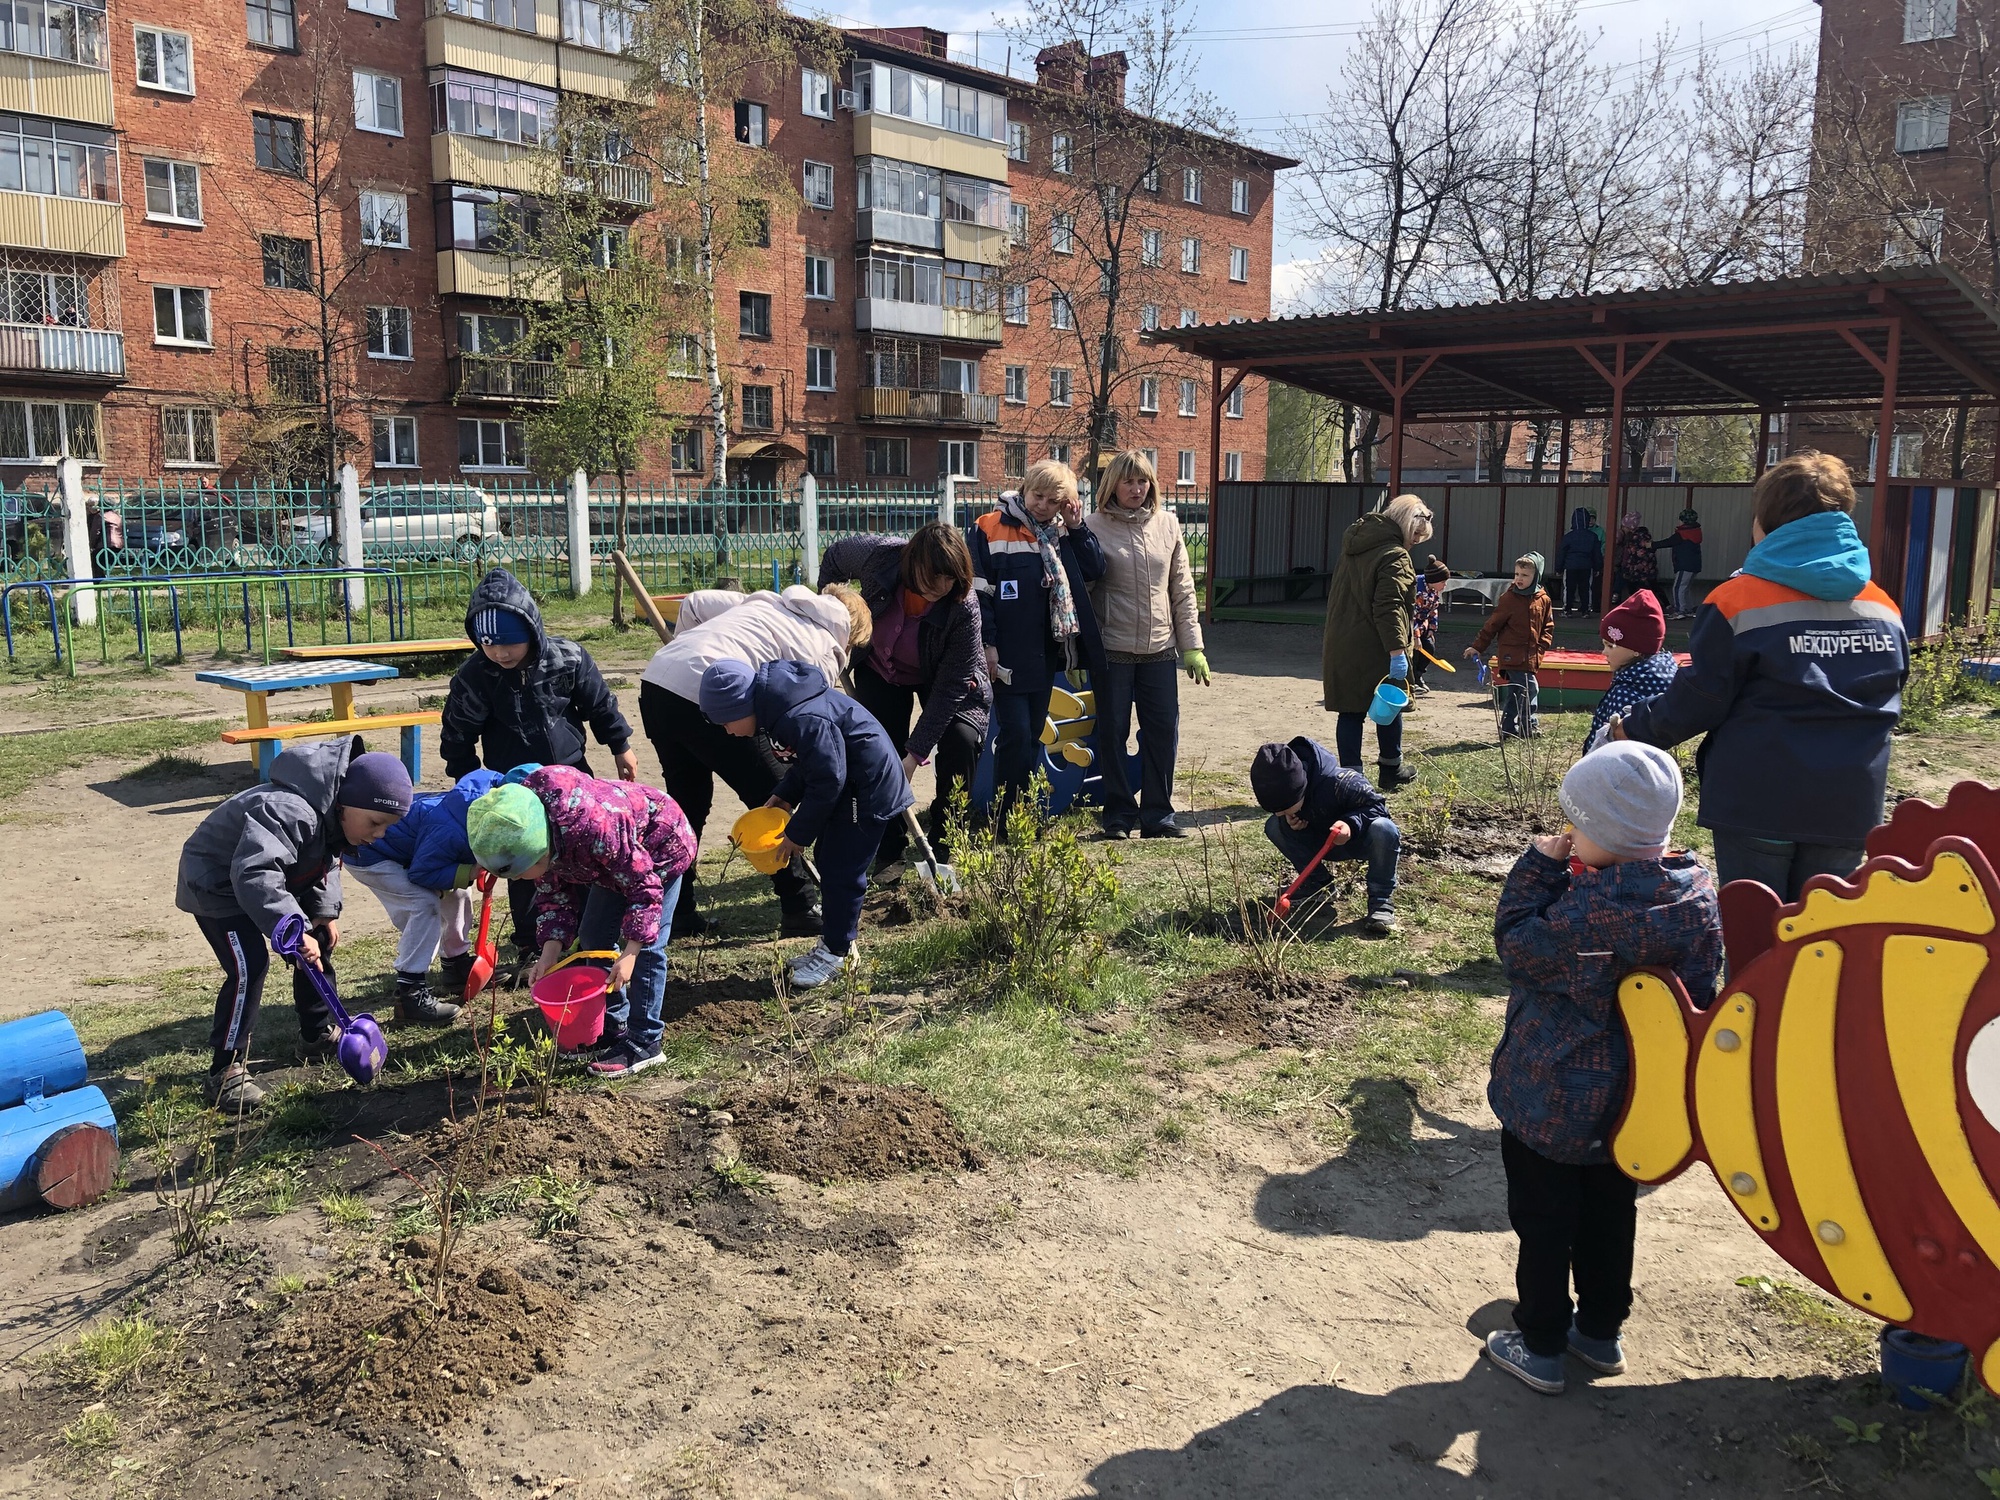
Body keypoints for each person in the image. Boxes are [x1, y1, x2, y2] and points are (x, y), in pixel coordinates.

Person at [1483, 741, 1721, 1395]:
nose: (1567, 834)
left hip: (1552, 1102)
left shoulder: (1586, 914)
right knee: (1612, 1215)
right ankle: (1600, 1331)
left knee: (1544, 1223)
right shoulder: (1696, 896)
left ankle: (1539, 1341)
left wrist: (1536, 869)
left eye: (1576, 824)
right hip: (1635, 1105)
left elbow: (1517, 947)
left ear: (1605, 834)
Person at [1610, 452, 1908, 899]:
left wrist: (1633, 729)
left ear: (1765, 522)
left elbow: (1701, 697)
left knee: (1756, 936)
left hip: (1759, 800)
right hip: (1848, 805)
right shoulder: (1882, 606)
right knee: (1820, 945)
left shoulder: (1737, 601)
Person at [176, 739, 414, 1112]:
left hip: (266, 879)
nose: (379, 834)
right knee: (248, 966)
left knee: (318, 938)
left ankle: (316, 1033)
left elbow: (326, 858)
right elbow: (255, 871)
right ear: (344, 802)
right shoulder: (290, 810)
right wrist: (291, 925)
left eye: (387, 827)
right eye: (376, 823)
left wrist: (321, 911)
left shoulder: (333, 816)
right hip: (217, 885)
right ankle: (225, 1070)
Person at [635, 581, 872, 936]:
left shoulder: (768, 601)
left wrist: (693, 650)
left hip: (660, 681)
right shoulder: (826, 644)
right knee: (773, 796)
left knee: (686, 804)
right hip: (714, 694)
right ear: (851, 635)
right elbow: (811, 718)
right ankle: (801, 905)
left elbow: (696, 604)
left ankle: (676, 911)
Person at [441, 567, 636, 972]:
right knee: (526, 864)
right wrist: (468, 781)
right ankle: (534, 942)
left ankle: (591, 931)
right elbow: (458, 732)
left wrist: (620, 745)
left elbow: (599, 704)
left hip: (572, 776)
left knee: (583, 851)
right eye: (490, 646)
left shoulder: (567, 658)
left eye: (510, 644)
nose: (501, 654)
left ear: (532, 628)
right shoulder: (475, 677)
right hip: (515, 787)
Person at [465, 766, 697, 1078]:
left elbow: (644, 888)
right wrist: (549, 952)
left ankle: (645, 1040)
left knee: (647, 948)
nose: (519, 880)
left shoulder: (594, 829)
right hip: (607, 865)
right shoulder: (535, 831)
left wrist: (629, 953)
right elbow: (554, 896)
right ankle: (613, 1023)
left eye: (520, 872)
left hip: (660, 848)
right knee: (593, 936)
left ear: (540, 854)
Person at [698, 658, 913, 990]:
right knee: (829, 858)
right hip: (851, 786)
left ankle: (838, 954)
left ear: (741, 706)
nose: (727, 731)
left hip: (867, 787)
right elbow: (808, 764)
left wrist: (796, 833)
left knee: (842, 869)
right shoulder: (780, 709)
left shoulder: (797, 717)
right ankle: (834, 942)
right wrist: (784, 796)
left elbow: (828, 778)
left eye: (725, 722)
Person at [817, 524, 990, 869]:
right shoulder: (880, 555)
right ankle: (888, 849)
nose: (941, 588)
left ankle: (947, 843)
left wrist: (915, 755)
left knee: (961, 739)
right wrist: (832, 609)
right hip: (881, 668)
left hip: (943, 679)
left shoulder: (963, 605)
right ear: (913, 563)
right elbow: (835, 556)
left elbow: (951, 688)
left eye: (950, 579)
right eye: (934, 577)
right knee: (879, 748)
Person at [967, 460, 1107, 810]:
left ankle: (1020, 811)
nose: (1042, 506)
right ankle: (1004, 814)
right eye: (1037, 496)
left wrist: (1077, 529)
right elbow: (977, 593)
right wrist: (988, 643)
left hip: (1044, 653)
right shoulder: (989, 528)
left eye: (1052, 501)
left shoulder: (1063, 533)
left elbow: (1095, 569)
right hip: (1005, 653)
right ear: (1024, 489)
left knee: (1032, 734)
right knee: (1014, 734)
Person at [1085, 450, 1209, 839]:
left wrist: (1192, 646)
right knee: (1113, 733)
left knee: (1161, 732)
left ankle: (1158, 815)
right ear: (1112, 486)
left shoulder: (1168, 525)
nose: (1136, 489)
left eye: (1143, 482)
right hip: (1113, 649)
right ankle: (1119, 814)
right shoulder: (1092, 527)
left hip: (1159, 650)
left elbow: (1182, 591)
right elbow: (1082, 594)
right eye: (1128, 481)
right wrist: (1077, 647)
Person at [346, 768, 507, 1023]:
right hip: (369, 852)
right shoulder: (451, 828)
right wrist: (472, 870)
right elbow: (422, 874)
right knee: (423, 904)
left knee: (458, 894)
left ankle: (456, 966)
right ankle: (410, 995)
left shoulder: (485, 801)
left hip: (411, 851)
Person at [1321, 492, 1432, 789]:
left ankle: (1351, 778)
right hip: (1376, 644)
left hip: (1342, 639)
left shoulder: (1354, 545)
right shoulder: (1395, 555)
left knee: (1350, 710)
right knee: (1391, 702)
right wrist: (1398, 652)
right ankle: (1390, 768)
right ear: (1407, 527)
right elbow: (1390, 607)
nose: (1415, 544)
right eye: (1416, 537)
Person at [1249, 738, 1401, 933]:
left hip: (1359, 840)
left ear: (1300, 790)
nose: (1283, 814)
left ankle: (1380, 902)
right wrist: (1292, 821)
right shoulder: (1286, 795)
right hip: (1320, 842)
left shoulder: (1343, 782)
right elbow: (1284, 813)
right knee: (1274, 826)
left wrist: (1350, 824)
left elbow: (1378, 808)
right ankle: (1319, 885)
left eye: (1286, 809)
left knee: (1384, 829)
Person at [1464, 552, 1554, 740]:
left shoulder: (1543, 599)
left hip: (1531, 654)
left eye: (1525, 575)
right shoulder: (1510, 598)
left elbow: (1548, 625)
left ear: (1536, 575)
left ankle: (1507, 728)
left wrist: (1542, 645)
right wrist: (1478, 647)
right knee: (1530, 688)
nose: (1519, 579)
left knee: (1516, 691)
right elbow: (1492, 625)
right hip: (1511, 654)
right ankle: (1529, 725)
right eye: (1517, 574)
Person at [1585, 591, 1677, 750]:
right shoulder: (1658, 679)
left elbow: (1615, 747)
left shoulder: (1625, 692)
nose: (1603, 652)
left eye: (1610, 645)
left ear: (1636, 649)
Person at [1407, 559, 1448, 697]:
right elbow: (1412, 614)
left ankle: (1418, 675)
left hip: (1423, 625)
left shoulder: (1434, 591)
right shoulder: (1417, 590)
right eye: (1443, 582)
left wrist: (1431, 628)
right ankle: (1410, 681)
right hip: (1411, 626)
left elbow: (1434, 609)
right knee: (1415, 652)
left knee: (1429, 648)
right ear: (1434, 580)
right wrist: (1416, 636)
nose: (1445, 585)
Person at [1654, 508, 1704, 619]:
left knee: (1678, 587)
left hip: (1684, 565)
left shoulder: (1682, 534)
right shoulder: (1696, 532)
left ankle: (1679, 610)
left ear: (1684, 521)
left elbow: (1667, 542)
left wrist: (1651, 545)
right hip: (1694, 565)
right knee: (1686, 588)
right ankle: (1688, 609)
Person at [1553, 507, 1603, 617]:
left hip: (1570, 566)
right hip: (1586, 567)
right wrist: (1597, 568)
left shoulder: (1568, 537)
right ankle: (1586, 611)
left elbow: (1562, 553)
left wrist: (1558, 568)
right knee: (1585, 589)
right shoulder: (1593, 537)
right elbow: (1597, 554)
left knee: (1569, 589)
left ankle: (1567, 610)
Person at [1611, 512, 1656, 607]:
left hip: (1625, 563)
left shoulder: (1630, 536)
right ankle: (1616, 597)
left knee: (1624, 581)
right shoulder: (1620, 535)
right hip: (1621, 562)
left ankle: (1619, 598)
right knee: (1620, 581)